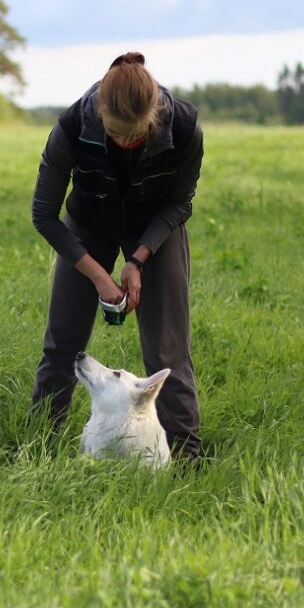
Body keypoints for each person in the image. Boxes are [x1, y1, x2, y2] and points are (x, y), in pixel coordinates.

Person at [30, 51, 205, 460]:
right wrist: (97, 275)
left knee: (168, 351)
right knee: (62, 343)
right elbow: (43, 214)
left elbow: (181, 202)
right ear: (100, 114)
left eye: (136, 136)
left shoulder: (184, 126)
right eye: (115, 134)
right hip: (90, 222)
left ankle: (188, 461)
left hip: (155, 226)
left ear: (154, 115)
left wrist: (138, 259)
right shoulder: (72, 126)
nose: (126, 142)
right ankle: (38, 450)